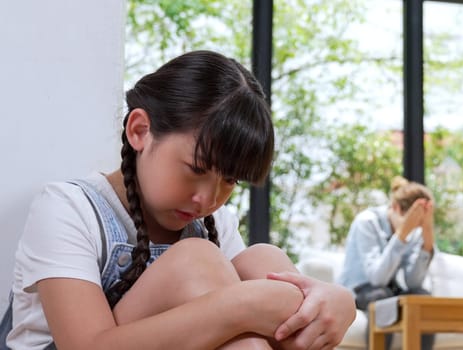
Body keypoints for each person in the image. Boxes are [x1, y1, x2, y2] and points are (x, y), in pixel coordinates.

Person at [2, 50, 355, 350]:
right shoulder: (68, 208)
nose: (208, 198)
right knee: (196, 261)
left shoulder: (216, 225)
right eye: (195, 168)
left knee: (265, 259)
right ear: (140, 131)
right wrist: (240, 305)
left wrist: (334, 302)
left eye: (229, 180)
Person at [339, 176, 435, 350]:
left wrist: (427, 234)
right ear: (396, 208)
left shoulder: (415, 231)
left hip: (389, 290)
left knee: (421, 298)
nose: (414, 230)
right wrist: (402, 235)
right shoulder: (367, 222)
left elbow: (413, 282)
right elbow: (377, 278)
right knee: (383, 298)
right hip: (360, 290)